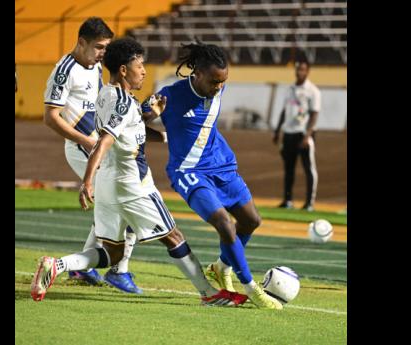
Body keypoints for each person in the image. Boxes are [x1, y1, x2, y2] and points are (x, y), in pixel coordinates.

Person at [31, 37, 248, 307]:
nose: (144, 70)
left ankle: (57, 264)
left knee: (111, 252)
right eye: (140, 65)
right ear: (124, 69)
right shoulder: (124, 103)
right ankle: (209, 294)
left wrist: (152, 120)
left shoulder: (107, 95)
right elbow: (105, 141)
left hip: (109, 182)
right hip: (133, 183)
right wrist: (86, 182)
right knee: (174, 237)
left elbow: (130, 131)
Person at [142, 40, 282, 309]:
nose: (219, 87)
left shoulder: (216, 86)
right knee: (224, 223)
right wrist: (158, 129)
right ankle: (251, 287)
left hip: (222, 165)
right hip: (189, 171)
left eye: (223, 82)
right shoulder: (168, 96)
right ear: (198, 74)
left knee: (251, 220)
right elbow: (131, 123)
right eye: (214, 82)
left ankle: (220, 267)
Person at [43, 17, 141, 292]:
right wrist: (86, 140)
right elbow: (50, 118)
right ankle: (118, 270)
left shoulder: (97, 65)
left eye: (106, 48)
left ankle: (84, 268)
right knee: (124, 201)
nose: (103, 53)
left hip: (100, 147)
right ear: (81, 42)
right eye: (99, 47)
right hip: (81, 149)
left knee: (117, 203)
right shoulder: (64, 71)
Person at [272, 59, 321, 212]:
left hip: (303, 134)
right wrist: (277, 131)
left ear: (307, 71)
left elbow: (314, 114)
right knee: (289, 168)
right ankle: (287, 200)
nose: (299, 72)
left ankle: (309, 203)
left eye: (302, 69)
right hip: (288, 133)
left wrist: (308, 136)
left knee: (309, 168)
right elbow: (284, 111)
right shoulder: (290, 89)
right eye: (297, 69)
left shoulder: (313, 91)